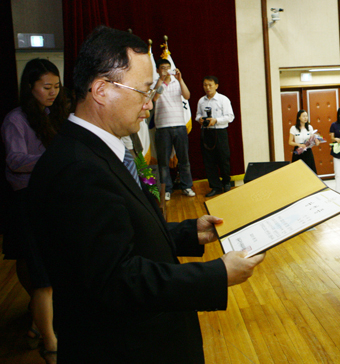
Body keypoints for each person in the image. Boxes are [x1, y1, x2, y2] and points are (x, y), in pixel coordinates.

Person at [27, 26, 265, 364]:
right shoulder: (78, 169)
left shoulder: (94, 151)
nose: (151, 103)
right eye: (143, 91)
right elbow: (115, 279)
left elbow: (119, 233)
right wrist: (217, 274)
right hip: (125, 347)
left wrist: (190, 232)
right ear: (101, 90)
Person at [1, 58, 67, 363]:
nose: (53, 92)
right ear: (30, 87)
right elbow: (15, 160)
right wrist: (53, 160)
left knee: (50, 270)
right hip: (26, 203)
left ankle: (35, 325)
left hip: (48, 199)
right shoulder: (15, 119)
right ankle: (50, 343)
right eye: (46, 87)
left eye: (56, 86)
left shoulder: (52, 115)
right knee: (41, 275)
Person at [152, 58, 195, 201]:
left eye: (168, 67)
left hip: (179, 125)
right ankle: (167, 189)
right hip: (163, 127)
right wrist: (162, 81)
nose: (166, 70)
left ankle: (186, 186)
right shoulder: (155, 84)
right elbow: (155, 98)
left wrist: (180, 79)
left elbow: (187, 96)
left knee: (184, 159)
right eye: (163, 68)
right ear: (158, 70)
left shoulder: (177, 82)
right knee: (163, 161)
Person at [195, 75, 234, 197]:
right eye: (205, 85)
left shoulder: (223, 100)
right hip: (206, 133)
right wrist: (200, 119)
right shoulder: (201, 101)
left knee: (223, 159)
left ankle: (226, 183)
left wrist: (216, 120)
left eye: (210, 85)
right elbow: (197, 116)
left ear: (216, 86)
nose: (207, 87)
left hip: (220, 132)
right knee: (209, 161)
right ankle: (215, 186)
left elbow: (230, 117)